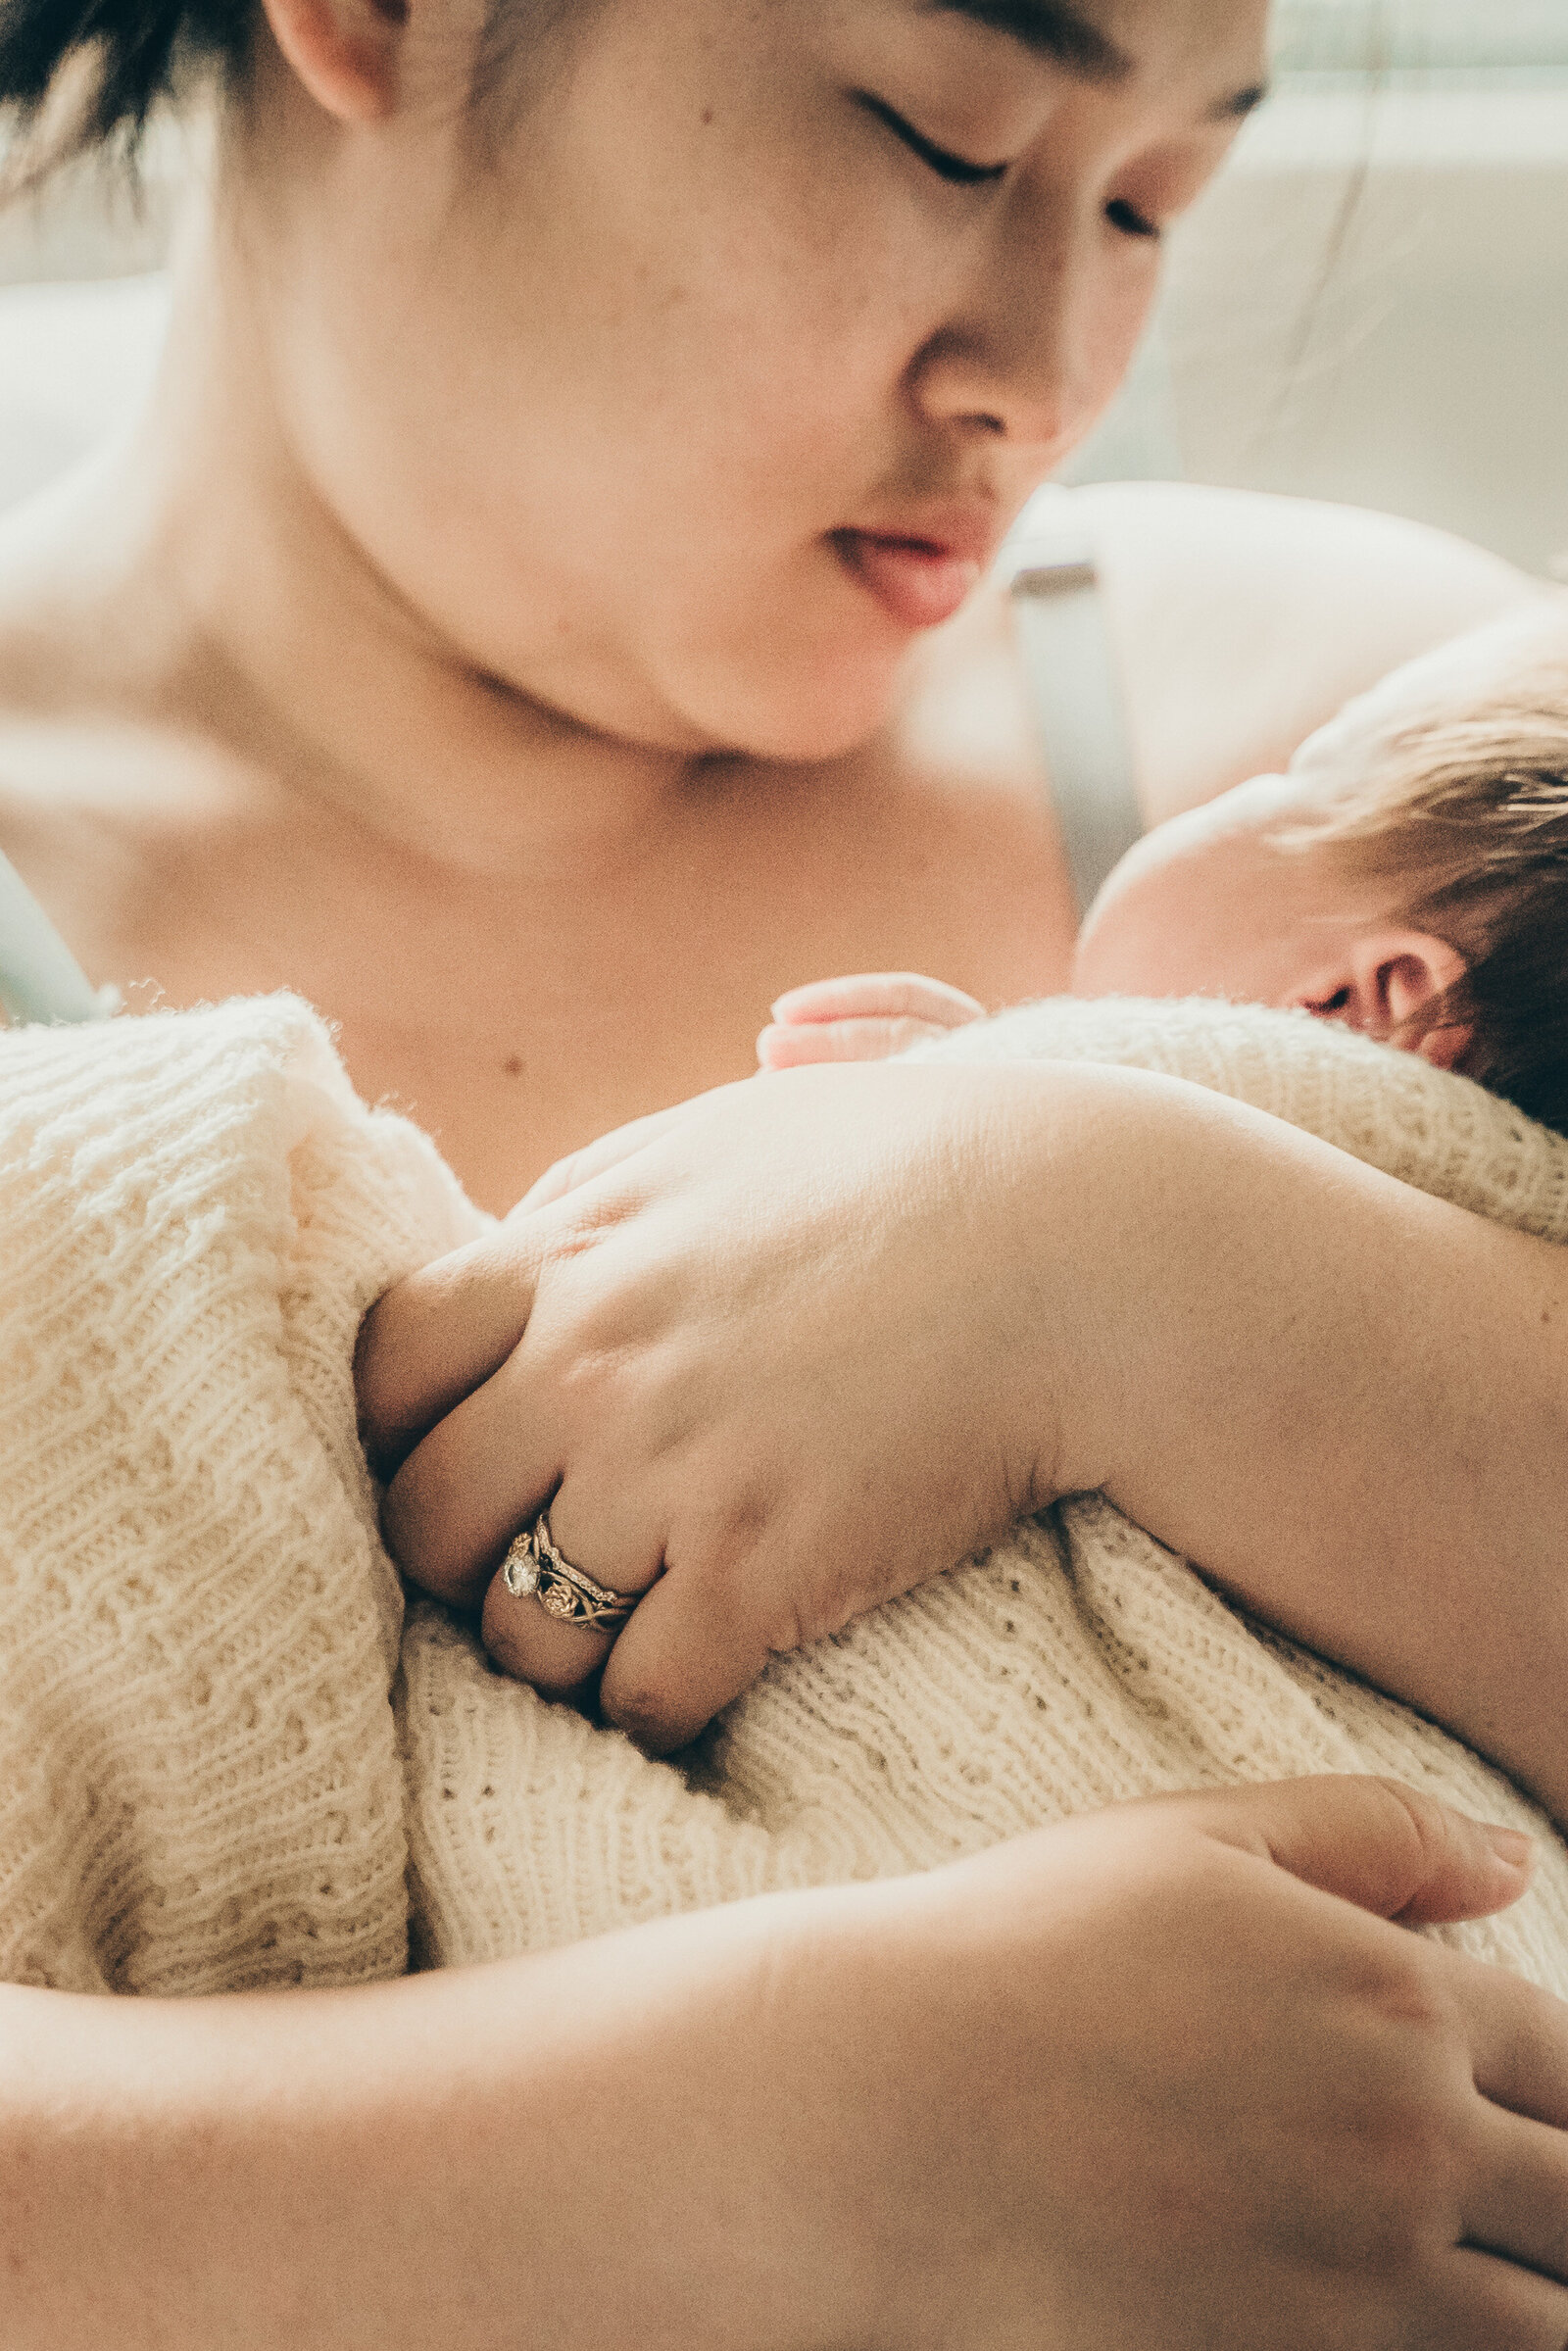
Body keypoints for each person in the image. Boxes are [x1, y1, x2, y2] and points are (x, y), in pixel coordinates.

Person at [5, 0, 1568, 2341]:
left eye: (1150, 201)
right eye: (939, 144)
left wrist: (1129, 1257)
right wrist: (720, 2147)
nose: (1046, 377)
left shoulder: (1371, 754)